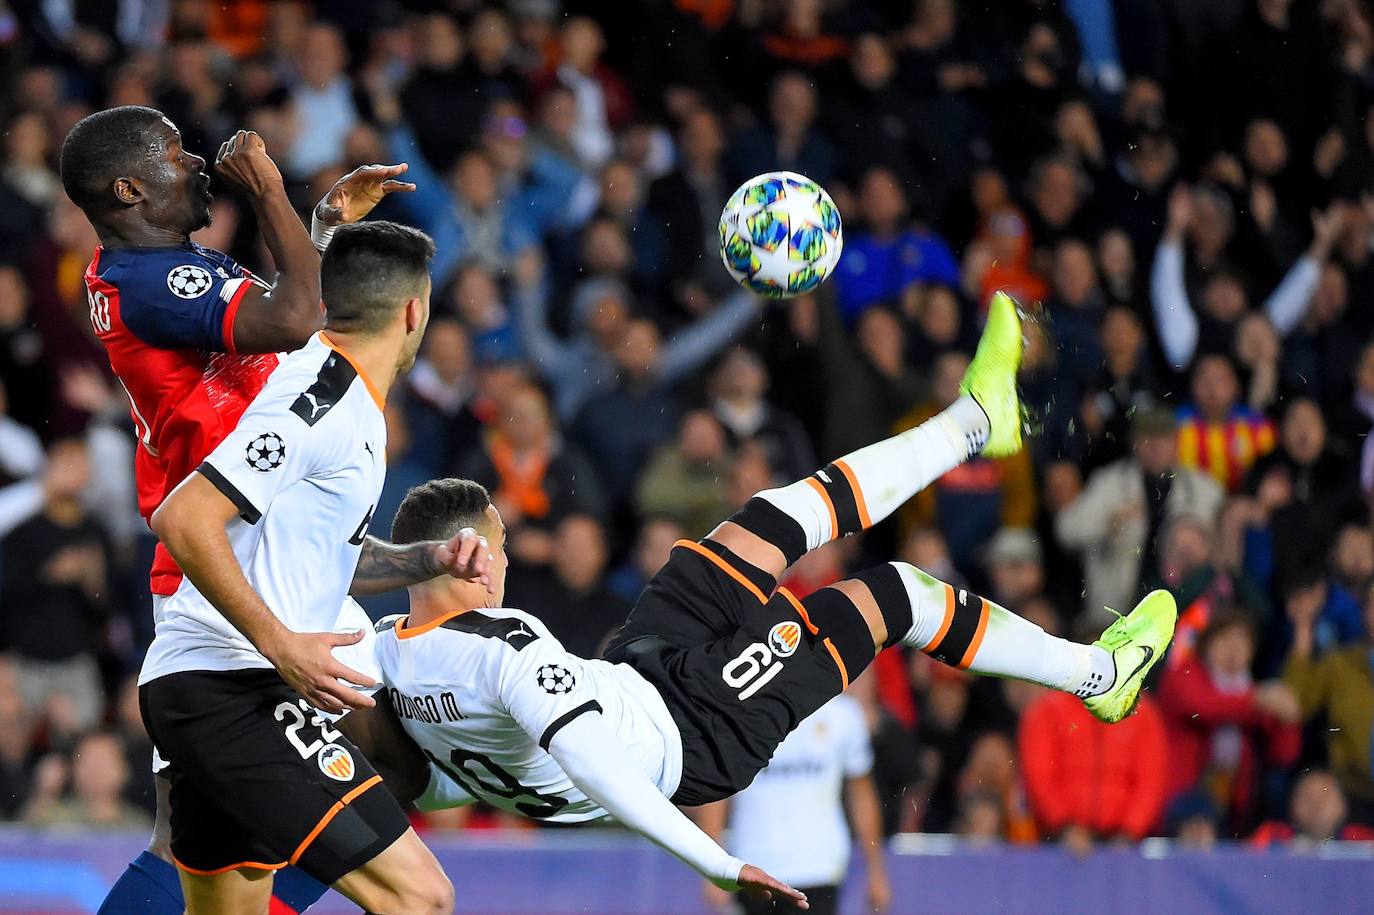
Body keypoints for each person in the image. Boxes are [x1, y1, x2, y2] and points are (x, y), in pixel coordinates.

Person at [374, 293, 1178, 906]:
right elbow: (595, 764)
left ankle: (975, 421)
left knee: (768, 519)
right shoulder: (492, 646)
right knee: (892, 593)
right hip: (694, 730)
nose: (510, 554)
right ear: (469, 553)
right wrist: (720, 864)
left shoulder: (394, 659)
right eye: (502, 540)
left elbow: (463, 777)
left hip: (636, 668)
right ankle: (1098, 676)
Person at [59, 106, 422, 914]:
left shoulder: (173, 268)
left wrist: (319, 222)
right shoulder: (144, 280)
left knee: (214, 834)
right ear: (129, 188)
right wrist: (266, 188)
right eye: (173, 153)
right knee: (385, 753)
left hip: (244, 538)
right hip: (221, 558)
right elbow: (298, 319)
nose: (194, 162)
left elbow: (284, 319)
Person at [140, 221, 492, 913]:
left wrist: (428, 558)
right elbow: (184, 517)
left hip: (213, 688)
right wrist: (282, 646)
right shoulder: (323, 401)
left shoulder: (340, 393)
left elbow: (314, 551)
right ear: (415, 311)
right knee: (422, 897)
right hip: (235, 686)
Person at [696, 695, 890, 915]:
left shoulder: (842, 714)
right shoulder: (740, 712)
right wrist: (713, 867)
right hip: (753, 866)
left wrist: (876, 870)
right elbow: (717, 793)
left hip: (820, 867)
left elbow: (862, 794)